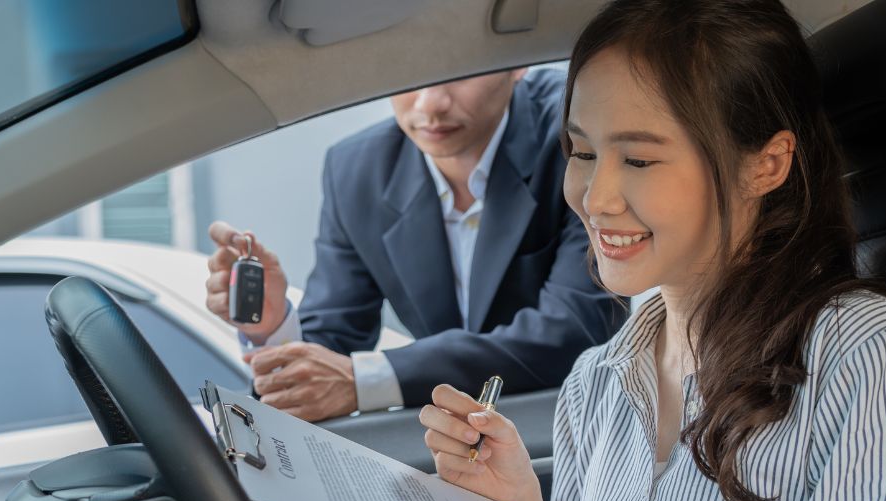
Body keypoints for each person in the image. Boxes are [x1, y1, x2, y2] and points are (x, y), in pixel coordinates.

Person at [366, 0, 886, 501]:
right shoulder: (597, 382)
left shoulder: (862, 362)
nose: (595, 197)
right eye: (583, 151)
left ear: (765, 164)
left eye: (640, 159)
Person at [205, 68, 622, 422]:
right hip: (446, 443)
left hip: (577, 426)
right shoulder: (357, 171)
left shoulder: (574, 140)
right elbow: (332, 344)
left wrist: (364, 380)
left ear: (516, 64)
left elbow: (573, 331)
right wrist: (274, 327)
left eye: (458, 74)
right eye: (407, 73)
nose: (430, 104)